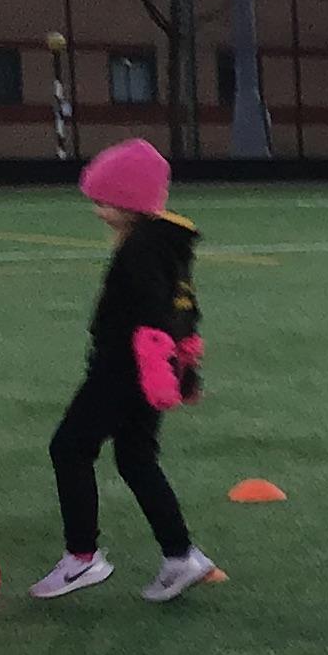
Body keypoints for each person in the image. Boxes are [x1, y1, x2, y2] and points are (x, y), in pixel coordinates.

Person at [31, 140, 213, 603]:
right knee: (136, 459)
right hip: (149, 369)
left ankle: (81, 557)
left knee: (69, 447)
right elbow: (185, 309)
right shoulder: (165, 244)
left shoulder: (143, 249)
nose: (97, 210)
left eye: (104, 202)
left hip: (125, 367)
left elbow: (155, 312)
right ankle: (180, 555)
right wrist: (181, 363)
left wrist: (150, 365)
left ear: (130, 203)